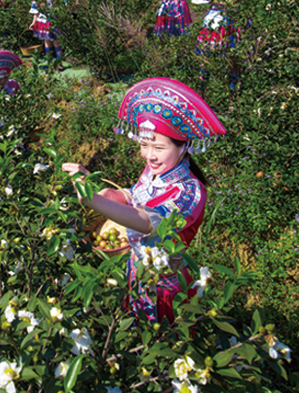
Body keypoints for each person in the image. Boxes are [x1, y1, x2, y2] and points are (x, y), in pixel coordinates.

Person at [62, 77, 226, 323]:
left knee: (162, 342)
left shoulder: (190, 192)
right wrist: (110, 195)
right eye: (144, 145)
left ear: (184, 147)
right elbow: (136, 195)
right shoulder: (154, 171)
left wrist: (92, 201)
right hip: (137, 271)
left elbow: (148, 221)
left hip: (166, 285)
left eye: (159, 148)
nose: (149, 155)